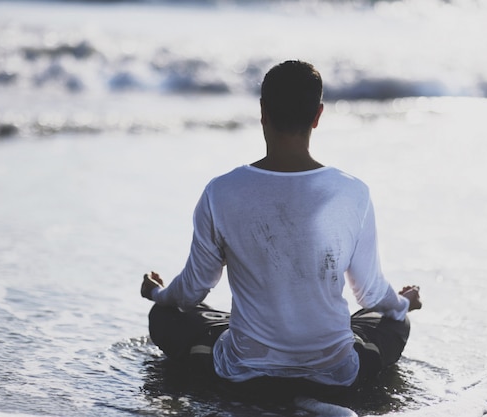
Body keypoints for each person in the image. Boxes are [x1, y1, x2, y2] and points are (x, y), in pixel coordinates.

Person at [141, 60, 422, 388]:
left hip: (245, 368)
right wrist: (405, 303)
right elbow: (371, 293)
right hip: (337, 372)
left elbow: (191, 292)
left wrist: (157, 293)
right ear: (318, 116)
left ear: (262, 111)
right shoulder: (352, 192)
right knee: (392, 318)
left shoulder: (221, 191)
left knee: (165, 315)